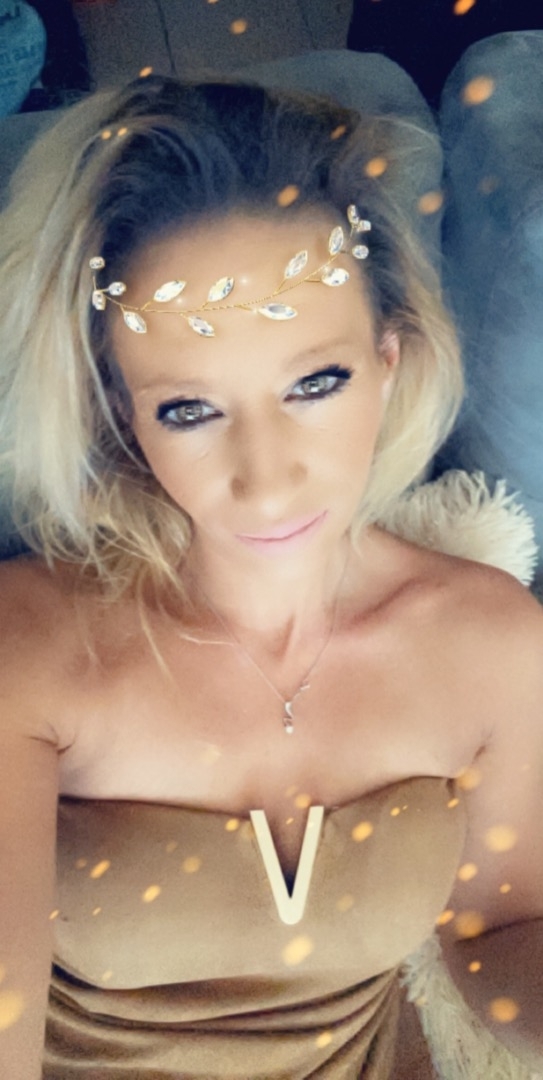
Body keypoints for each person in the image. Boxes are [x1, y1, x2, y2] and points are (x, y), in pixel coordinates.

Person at [0, 73, 542, 1080]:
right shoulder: (27, 646)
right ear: (123, 415)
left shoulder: (491, 640)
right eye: (190, 409)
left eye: (314, 383)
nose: (267, 476)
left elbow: (500, 928)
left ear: (389, 359)